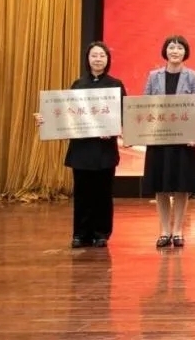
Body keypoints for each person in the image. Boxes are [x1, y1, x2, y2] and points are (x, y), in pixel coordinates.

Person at [33, 41, 126, 248]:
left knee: (103, 193)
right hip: (82, 149)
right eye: (94, 55)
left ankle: (101, 233)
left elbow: (124, 115)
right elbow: (66, 115)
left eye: (102, 55)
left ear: (108, 59)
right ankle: (80, 234)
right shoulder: (78, 85)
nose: (98, 59)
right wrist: (46, 119)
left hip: (104, 150)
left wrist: (114, 129)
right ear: (88, 59)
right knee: (82, 193)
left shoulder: (116, 85)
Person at [142, 35, 195, 248]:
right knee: (160, 186)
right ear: (165, 51)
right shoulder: (154, 76)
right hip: (159, 138)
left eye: (179, 48)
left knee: (181, 186)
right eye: (171, 47)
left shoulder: (193, 76)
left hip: (183, 141)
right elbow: (144, 105)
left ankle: (177, 230)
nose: (175, 51)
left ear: (185, 52)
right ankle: (164, 231)